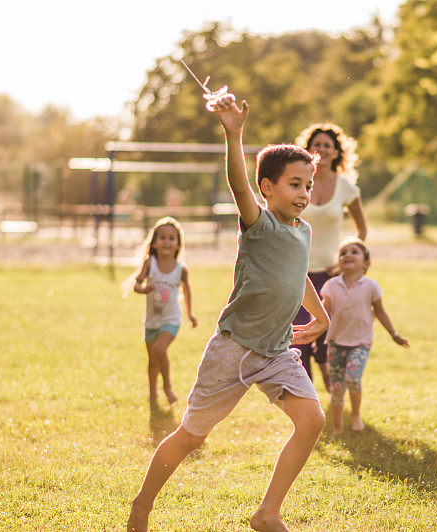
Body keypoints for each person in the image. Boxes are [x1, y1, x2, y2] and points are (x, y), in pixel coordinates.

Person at [127, 91, 330, 532]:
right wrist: (233, 133)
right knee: (192, 437)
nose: (304, 193)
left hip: (276, 351)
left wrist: (321, 316)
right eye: (295, 184)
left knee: (312, 419)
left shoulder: (304, 232)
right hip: (233, 350)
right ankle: (142, 505)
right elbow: (238, 184)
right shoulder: (259, 224)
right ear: (268, 189)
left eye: (309, 185)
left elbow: (298, 281)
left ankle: (267, 512)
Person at [292, 123, 368, 393]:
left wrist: (347, 260)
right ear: (308, 150)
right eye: (316, 144)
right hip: (296, 272)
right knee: (298, 337)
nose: (321, 149)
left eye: (327, 145)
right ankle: (306, 396)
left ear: (336, 153)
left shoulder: (346, 188)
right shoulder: (296, 183)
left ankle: (328, 381)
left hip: (329, 274)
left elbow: (361, 229)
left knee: (326, 339)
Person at [320, 237, 410, 435]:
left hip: (360, 343)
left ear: (366, 263)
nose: (347, 255)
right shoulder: (331, 286)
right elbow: (323, 314)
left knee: (353, 378)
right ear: (339, 262)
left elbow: (380, 312)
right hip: (335, 343)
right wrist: (313, 331)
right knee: (336, 386)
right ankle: (337, 425)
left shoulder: (371, 286)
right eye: (343, 253)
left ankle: (355, 415)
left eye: (354, 252)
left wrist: (394, 334)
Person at [123, 217, 198, 406]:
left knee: (160, 349)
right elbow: (137, 284)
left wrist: (190, 314)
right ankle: (152, 394)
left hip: (171, 319)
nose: (167, 241)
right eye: (162, 238)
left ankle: (167, 387)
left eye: (171, 238)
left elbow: (187, 291)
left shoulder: (181, 269)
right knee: (152, 360)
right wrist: (143, 289)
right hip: (152, 320)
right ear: (154, 243)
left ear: (178, 244)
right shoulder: (150, 263)